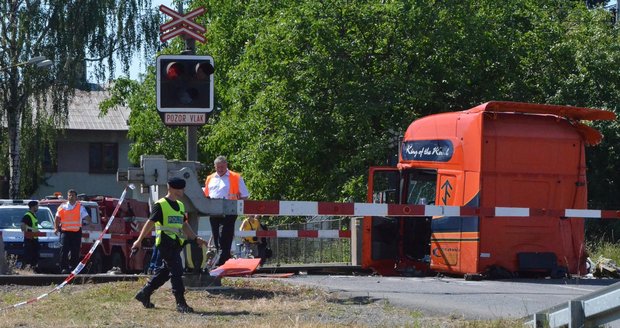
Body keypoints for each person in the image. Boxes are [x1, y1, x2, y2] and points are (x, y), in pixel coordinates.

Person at [132, 177, 207, 313]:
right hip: (165, 242)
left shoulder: (180, 205)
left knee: (166, 271)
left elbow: (184, 224)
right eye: (180, 188)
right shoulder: (160, 204)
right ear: (171, 188)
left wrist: (195, 238)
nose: (182, 191)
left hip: (176, 243)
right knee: (177, 270)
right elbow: (150, 223)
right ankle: (181, 303)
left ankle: (145, 293)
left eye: (183, 188)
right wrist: (139, 240)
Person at [203, 155, 249, 266]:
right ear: (214, 166)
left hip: (229, 211)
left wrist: (237, 206)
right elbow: (206, 194)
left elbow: (245, 195)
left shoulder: (236, 177)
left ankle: (222, 260)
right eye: (218, 167)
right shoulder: (210, 178)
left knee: (225, 235)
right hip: (213, 211)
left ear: (226, 165)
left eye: (222, 167)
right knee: (217, 236)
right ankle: (223, 258)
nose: (220, 169)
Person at [54, 189, 91, 274]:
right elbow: (57, 218)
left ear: (76, 197)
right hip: (65, 232)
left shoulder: (80, 207)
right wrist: (56, 228)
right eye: (69, 195)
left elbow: (87, 217)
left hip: (76, 232)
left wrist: (89, 222)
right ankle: (64, 268)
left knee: (75, 251)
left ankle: (74, 268)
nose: (70, 197)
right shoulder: (63, 206)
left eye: (72, 195)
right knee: (64, 250)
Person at [20, 200, 40, 270]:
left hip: (34, 239)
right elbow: (22, 226)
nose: (38, 207)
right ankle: (28, 270)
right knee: (29, 256)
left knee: (35, 256)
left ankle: (33, 269)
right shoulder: (27, 215)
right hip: (29, 240)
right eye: (37, 206)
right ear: (33, 207)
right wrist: (31, 232)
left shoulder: (33, 215)